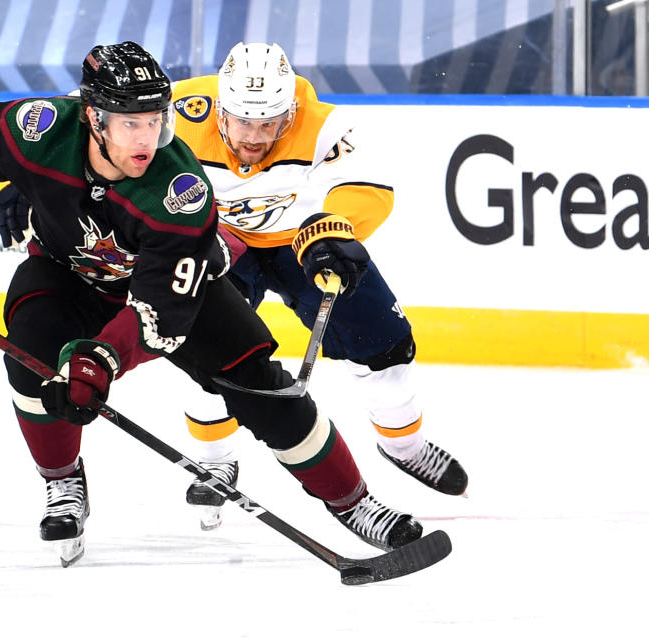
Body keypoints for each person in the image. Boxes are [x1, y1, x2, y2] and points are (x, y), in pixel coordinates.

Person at [0, 41, 422, 567]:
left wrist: (102, 359)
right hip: (63, 274)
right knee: (30, 362)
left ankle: (355, 503)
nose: (147, 139)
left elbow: (161, 314)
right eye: (131, 124)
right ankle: (63, 480)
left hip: (168, 291)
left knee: (266, 390)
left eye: (156, 122)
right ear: (93, 117)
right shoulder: (39, 129)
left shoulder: (179, 192)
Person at [156, 42, 468, 530]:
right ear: (220, 109)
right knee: (208, 344)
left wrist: (334, 227)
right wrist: (22, 186)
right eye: (243, 122)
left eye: (269, 124)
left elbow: (371, 188)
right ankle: (215, 459)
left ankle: (402, 445)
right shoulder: (176, 109)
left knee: (383, 344)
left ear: (290, 110)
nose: (255, 138)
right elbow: (81, 119)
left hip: (304, 239)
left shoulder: (325, 125)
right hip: (216, 237)